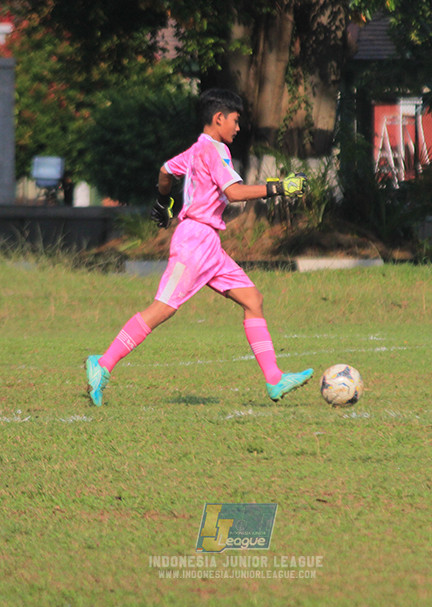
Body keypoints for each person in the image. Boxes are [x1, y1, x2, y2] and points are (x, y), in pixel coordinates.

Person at [84, 88, 313, 406]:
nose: (237, 127)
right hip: (194, 241)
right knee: (162, 308)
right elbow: (233, 193)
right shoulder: (214, 150)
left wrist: (164, 201)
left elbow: (165, 171)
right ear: (219, 118)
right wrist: (279, 187)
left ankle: (274, 379)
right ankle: (103, 363)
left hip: (208, 243)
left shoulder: (195, 151)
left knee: (252, 299)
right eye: (235, 120)